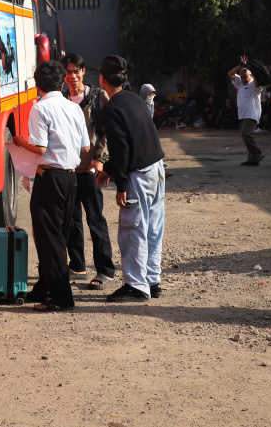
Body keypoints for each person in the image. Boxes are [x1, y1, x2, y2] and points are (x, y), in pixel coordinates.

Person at [12, 61, 90, 312]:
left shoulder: (40, 108)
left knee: (49, 238)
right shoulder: (74, 108)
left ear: (37, 85)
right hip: (71, 177)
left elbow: (41, 148)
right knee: (59, 235)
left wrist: (20, 142)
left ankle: (61, 297)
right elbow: (85, 147)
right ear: (61, 81)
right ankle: (45, 288)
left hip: (50, 177)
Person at [94, 55, 166, 300]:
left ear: (102, 79)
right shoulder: (133, 99)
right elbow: (132, 142)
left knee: (132, 228)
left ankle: (136, 286)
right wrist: (110, 170)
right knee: (153, 228)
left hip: (139, 174)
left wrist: (120, 184)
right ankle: (152, 280)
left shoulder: (112, 108)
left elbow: (120, 148)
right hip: (156, 167)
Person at [60, 54, 116, 289]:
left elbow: (108, 131)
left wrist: (100, 160)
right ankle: (78, 266)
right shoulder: (61, 99)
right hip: (68, 170)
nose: (71, 77)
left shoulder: (97, 96)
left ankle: (105, 270)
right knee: (72, 221)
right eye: (67, 72)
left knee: (95, 220)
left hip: (90, 169)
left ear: (83, 72)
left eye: (76, 71)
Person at [228, 56, 264, 165]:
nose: (243, 79)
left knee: (246, 134)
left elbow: (257, 82)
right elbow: (230, 74)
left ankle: (259, 153)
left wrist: (252, 68)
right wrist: (240, 66)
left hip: (252, 114)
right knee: (246, 136)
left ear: (251, 75)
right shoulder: (239, 83)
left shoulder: (255, 84)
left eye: (245, 77)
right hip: (243, 115)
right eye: (242, 77)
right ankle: (252, 159)